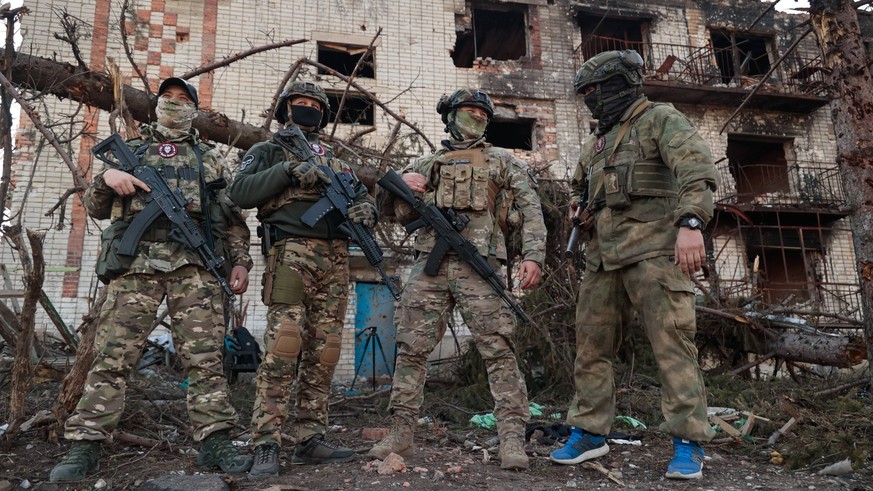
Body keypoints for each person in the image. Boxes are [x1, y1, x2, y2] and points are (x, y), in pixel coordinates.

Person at [49, 77, 254, 482]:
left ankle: (214, 440)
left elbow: (232, 220)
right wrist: (106, 179)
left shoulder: (209, 158)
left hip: (194, 268)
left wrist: (241, 262)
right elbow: (95, 207)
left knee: (206, 361)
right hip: (135, 267)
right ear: (156, 104)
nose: (175, 105)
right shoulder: (133, 149)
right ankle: (85, 444)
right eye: (168, 98)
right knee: (112, 358)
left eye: (184, 100)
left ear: (195, 110)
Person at [550, 49, 719, 480]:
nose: (591, 99)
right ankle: (589, 432)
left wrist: (691, 223)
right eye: (584, 93)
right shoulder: (597, 142)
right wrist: (577, 209)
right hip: (603, 259)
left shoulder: (660, 119)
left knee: (672, 347)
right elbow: (577, 188)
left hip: (655, 252)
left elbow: (695, 170)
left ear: (619, 84)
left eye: (595, 91)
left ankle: (688, 442)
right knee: (591, 348)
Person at [368, 88, 547, 470]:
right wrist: (403, 182)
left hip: (479, 264)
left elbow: (531, 208)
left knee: (498, 348)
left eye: (484, 113)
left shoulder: (501, 160)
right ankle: (401, 432)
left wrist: (533, 256)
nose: (478, 117)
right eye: (469, 110)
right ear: (449, 115)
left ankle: (511, 437)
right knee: (411, 348)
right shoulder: (426, 162)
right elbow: (388, 210)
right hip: (429, 267)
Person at [229, 81, 375, 478]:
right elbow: (238, 192)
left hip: (336, 258)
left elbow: (363, 196)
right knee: (283, 345)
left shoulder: (337, 161)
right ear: (285, 109)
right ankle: (266, 443)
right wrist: (287, 170)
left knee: (325, 349)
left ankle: (311, 437)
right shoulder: (267, 151)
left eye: (315, 104)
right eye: (300, 102)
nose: (308, 108)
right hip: (291, 252)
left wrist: (366, 212)